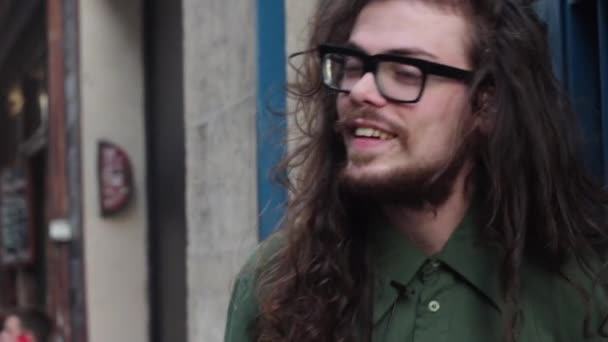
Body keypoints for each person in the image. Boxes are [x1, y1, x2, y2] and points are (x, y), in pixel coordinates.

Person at [225, 0, 608, 341]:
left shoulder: (583, 287)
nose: (360, 90)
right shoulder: (275, 287)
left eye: (406, 72)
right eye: (354, 66)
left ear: (485, 103)